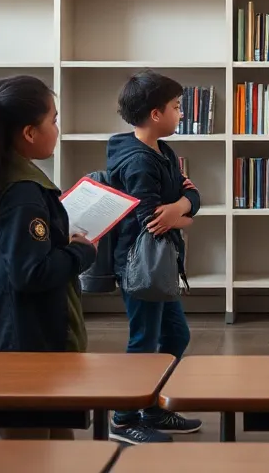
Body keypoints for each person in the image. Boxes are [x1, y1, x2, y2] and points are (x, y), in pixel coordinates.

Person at [0, 75, 95, 441]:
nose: (58, 129)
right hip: (22, 342)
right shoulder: (23, 192)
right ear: (29, 133)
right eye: (54, 120)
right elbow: (31, 271)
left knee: (43, 441)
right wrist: (80, 252)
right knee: (26, 452)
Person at [107, 70, 202, 444]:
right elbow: (153, 221)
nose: (182, 114)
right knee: (144, 341)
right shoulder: (138, 161)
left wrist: (182, 208)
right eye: (177, 107)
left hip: (160, 266)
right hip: (140, 269)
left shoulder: (162, 150)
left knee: (176, 334)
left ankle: (151, 406)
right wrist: (185, 212)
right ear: (156, 114)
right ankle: (125, 417)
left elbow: (190, 196)